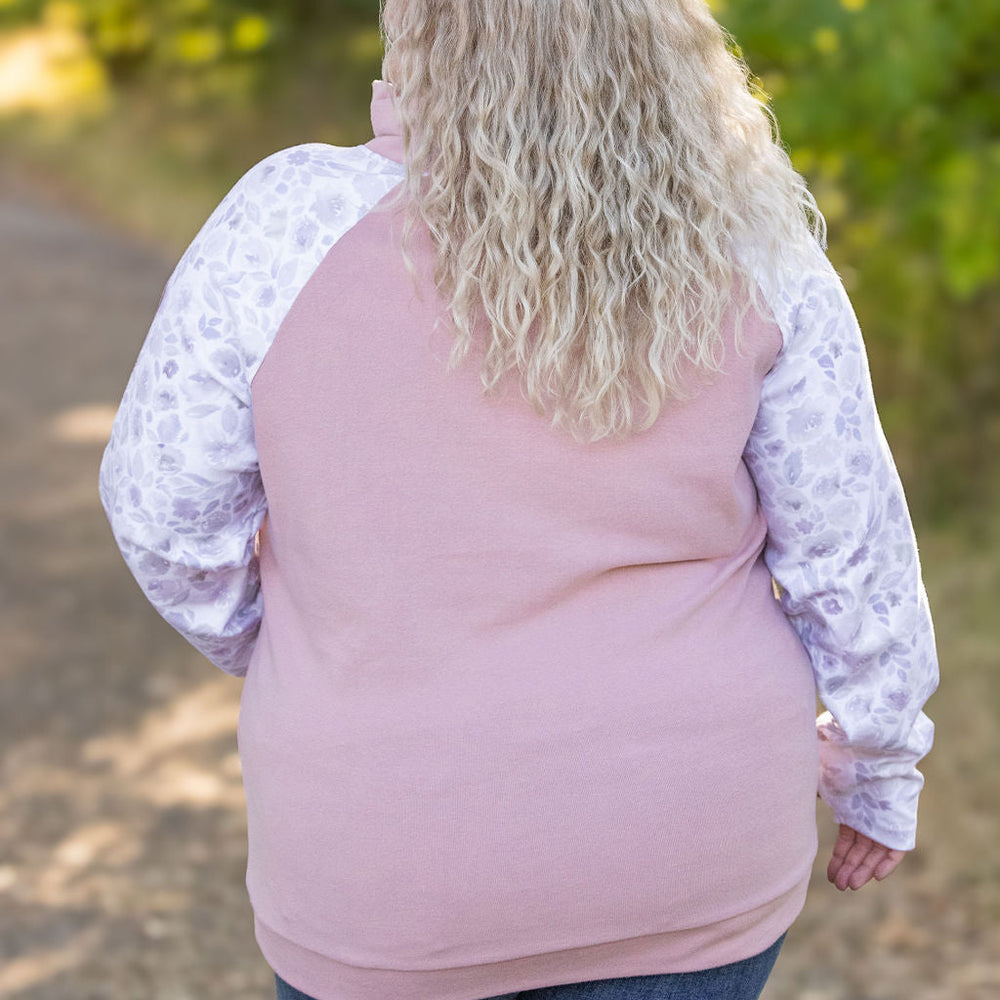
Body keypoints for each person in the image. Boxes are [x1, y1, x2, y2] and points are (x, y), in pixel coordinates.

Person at [97, 2, 939, 999]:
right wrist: (880, 765)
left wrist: (301, 643)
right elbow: (850, 554)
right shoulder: (752, 243)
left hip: (381, 872)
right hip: (692, 857)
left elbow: (162, 511)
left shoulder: (281, 226)